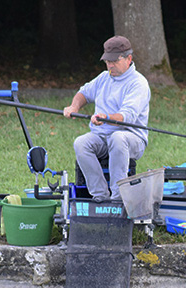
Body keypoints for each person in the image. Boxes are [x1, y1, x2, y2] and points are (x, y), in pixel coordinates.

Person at [63, 35, 150, 202]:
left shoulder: (138, 83)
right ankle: (100, 197)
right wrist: (74, 106)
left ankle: (118, 198)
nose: (110, 65)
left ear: (128, 59)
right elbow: (84, 92)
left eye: (114, 61)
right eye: (107, 61)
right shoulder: (104, 77)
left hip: (131, 138)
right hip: (102, 136)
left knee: (118, 138)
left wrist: (106, 118)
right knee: (81, 143)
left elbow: (128, 116)